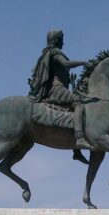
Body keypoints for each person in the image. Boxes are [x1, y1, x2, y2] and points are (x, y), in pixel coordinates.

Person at [28, 29, 91, 163]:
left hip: (57, 88)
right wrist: (83, 63)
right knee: (78, 103)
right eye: (62, 39)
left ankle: (76, 152)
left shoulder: (47, 52)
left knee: (71, 111)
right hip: (56, 89)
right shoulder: (54, 51)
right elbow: (65, 64)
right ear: (56, 40)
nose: (63, 42)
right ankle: (79, 138)